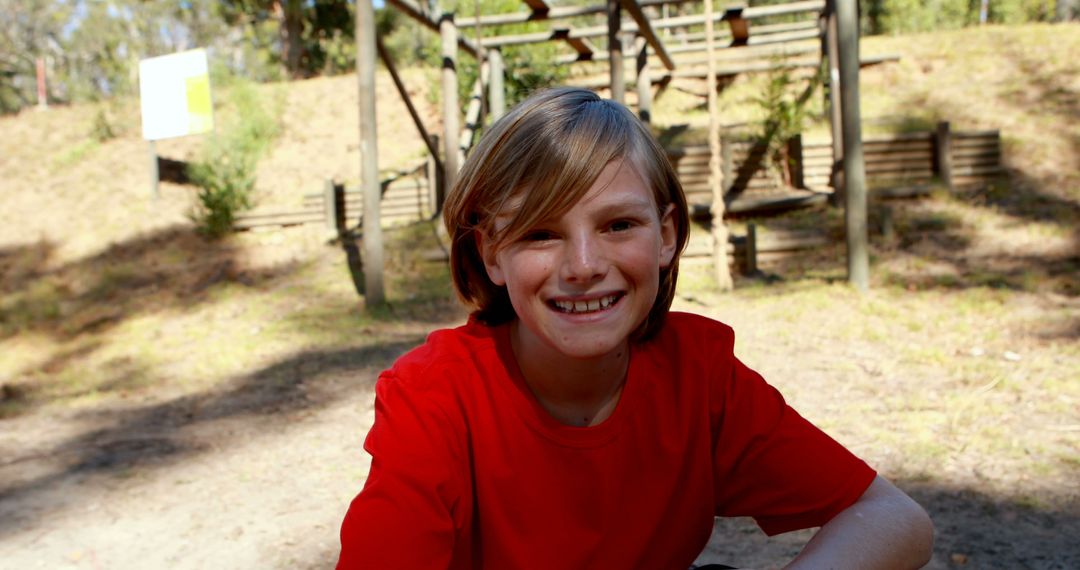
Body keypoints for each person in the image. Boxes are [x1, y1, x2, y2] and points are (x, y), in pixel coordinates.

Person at [337, 87, 934, 569]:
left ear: (667, 235)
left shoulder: (699, 375)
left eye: (619, 224)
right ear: (492, 255)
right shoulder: (434, 397)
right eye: (540, 233)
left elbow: (894, 518)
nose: (584, 266)